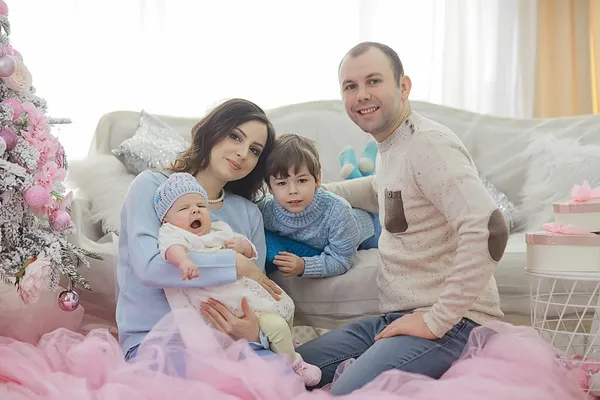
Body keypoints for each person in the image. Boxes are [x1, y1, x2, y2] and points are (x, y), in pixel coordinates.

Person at [296, 42, 510, 395]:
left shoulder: (428, 144)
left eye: (373, 81)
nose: (362, 95)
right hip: (396, 317)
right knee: (289, 367)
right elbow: (379, 190)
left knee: (346, 392)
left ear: (404, 86)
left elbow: (490, 228)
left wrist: (436, 320)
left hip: (452, 322)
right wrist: (306, 193)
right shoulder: (392, 145)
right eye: (350, 86)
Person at [115, 98, 283, 368]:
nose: (242, 153)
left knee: (283, 381)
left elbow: (256, 292)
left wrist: (257, 334)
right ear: (212, 131)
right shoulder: (151, 187)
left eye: (254, 150)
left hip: (234, 344)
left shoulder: (249, 214)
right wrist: (234, 264)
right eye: (234, 136)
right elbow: (149, 268)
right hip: (157, 342)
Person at [154, 172, 322, 385]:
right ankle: (294, 363)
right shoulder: (173, 232)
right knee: (276, 327)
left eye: (200, 205)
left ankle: (286, 344)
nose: (195, 210)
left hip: (246, 298)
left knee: (284, 303)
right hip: (222, 304)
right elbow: (171, 248)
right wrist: (183, 262)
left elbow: (247, 248)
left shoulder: (218, 229)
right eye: (184, 208)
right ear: (166, 219)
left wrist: (243, 247)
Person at [258, 133, 381, 278]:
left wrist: (304, 266)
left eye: (302, 180)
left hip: (370, 229)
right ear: (270, 188)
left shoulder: (338, 212)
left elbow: (341, 260)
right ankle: (354, 168)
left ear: (317, 179)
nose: (293, 191)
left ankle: (361, 161)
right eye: (281, 183)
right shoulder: (265, 210)